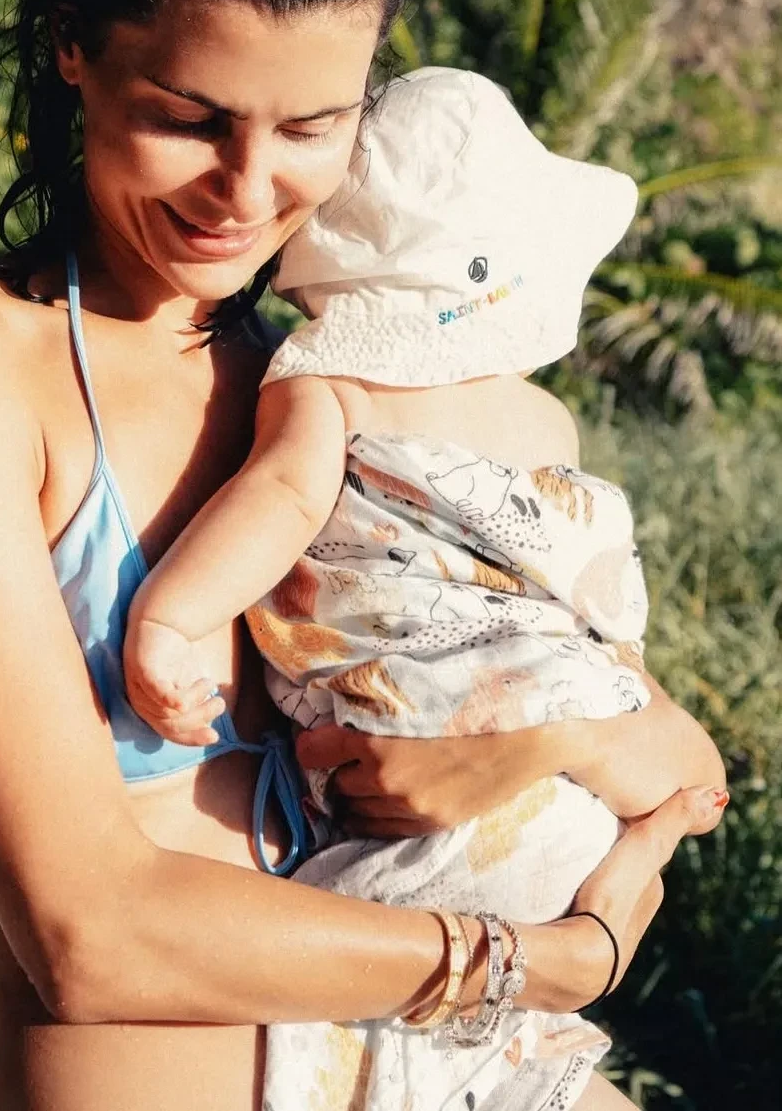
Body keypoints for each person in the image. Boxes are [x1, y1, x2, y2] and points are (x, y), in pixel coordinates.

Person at [0, 0, 726, 1110]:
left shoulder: (345, 386)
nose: (245, 191)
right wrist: (530, 962)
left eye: (311, 125)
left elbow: (676, 760)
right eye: (188, 119)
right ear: (72, 39)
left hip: (461, 1074)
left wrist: (521, 748)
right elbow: (89, 933)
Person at [122, 64, 729, 1110]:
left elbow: (278, 498)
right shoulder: (546, 422)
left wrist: (167, 621)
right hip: (573, 818)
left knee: (343, 1030)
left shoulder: (333, 385)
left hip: (418, 794)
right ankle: (620, 876)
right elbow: (592, 608)